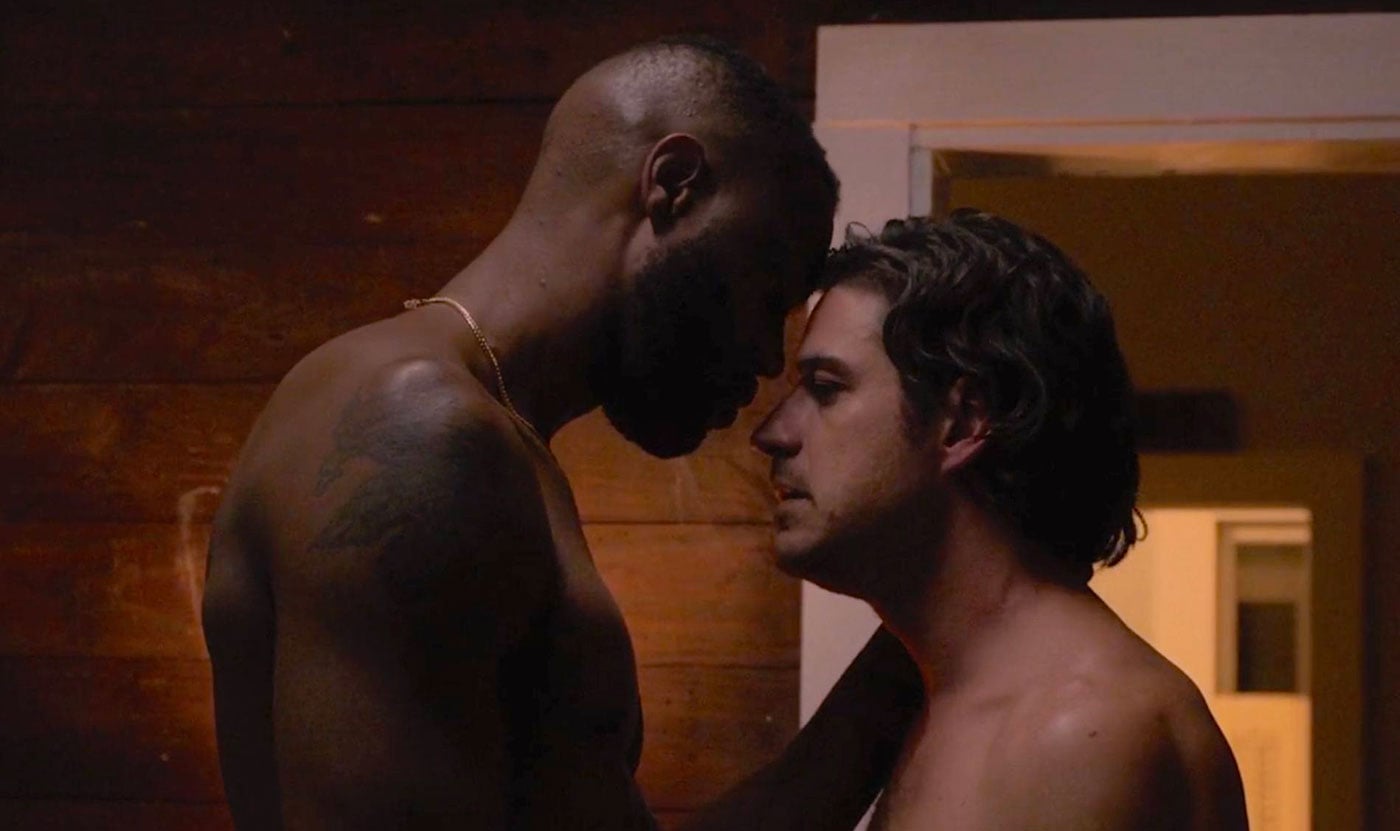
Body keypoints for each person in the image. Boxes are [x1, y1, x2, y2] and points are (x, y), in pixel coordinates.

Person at [201, 36, 920, 831]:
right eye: (766, 284)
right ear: (673, 185)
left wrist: (923, 637)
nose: (764, 354)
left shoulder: (487, 435)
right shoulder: (421, 429)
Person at [752, 210, 1249, 830]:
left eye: (826, 388)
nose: (772, 432)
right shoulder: (959, 692)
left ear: (962, 422)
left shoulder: (1072, 732)